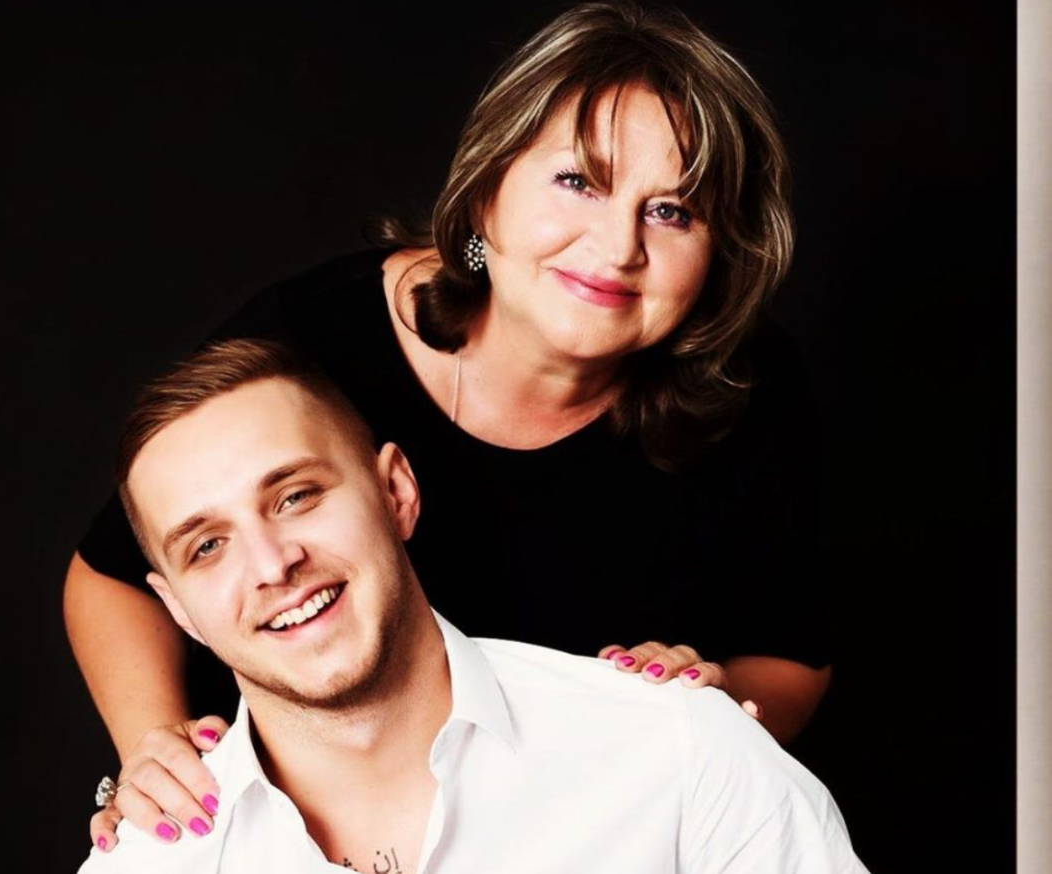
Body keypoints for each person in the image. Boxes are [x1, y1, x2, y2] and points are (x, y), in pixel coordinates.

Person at [65, 1, 833, 851]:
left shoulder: (747, 393)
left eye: (673, 211)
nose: (617, 247)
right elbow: (116, 571)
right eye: (579, 181)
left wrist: (703, 718)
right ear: (487, 189)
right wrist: (160, 758)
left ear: (719, 254)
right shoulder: (308, 346)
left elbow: (791, 658)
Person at [77, 337, 865, 874]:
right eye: (206, 546)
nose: (273, 563)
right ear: (178, 611)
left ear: (396, 492)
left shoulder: (680, 753)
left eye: (296, 496)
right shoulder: (154, 858)